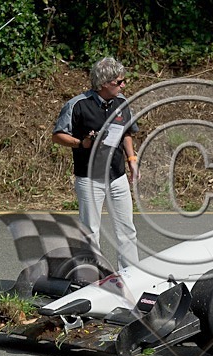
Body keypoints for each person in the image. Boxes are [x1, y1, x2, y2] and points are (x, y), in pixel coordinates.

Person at [52, 56, 140, 269]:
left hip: (116, 175)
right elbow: (57, 135)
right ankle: (92, 277)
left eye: (123, 81)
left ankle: (131, 275)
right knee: (90, 230)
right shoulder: (77, 105)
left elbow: (127, 132)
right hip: (89, 178)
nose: (123, 85)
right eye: (118, 82)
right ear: (103, 83)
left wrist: (132, 159)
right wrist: (81, 143)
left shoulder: (122, 102)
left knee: (127, 229)